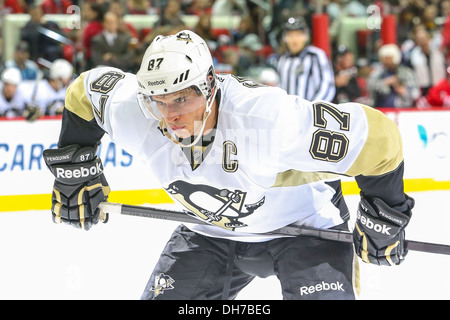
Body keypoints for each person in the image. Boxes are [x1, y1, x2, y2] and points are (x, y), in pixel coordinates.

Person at [42, 30, 414, 300]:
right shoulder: (136, 110)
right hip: (208, 233)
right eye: (158, 101)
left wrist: (384, 213)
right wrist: (78, 170)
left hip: (305, 232)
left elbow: (380, 138)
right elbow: (84, 91)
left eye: (181, 100)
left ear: (209, 85)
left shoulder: (269, 119)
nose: (169, 116)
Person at [270, 17, 335, 101]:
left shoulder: (315, 56)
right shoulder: (283, 60)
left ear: (306, 36)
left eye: (298, 35)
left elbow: (326, 86)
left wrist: (312, 109)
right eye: (290, 35)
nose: (294, 40)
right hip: (288, 111)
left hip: (310, 111)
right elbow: (280, 86)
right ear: (285, 38)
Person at [367, 44, 420, 108]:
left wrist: (404, 91)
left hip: (403, 108)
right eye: (384, 59)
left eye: (389, 59)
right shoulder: (378, 73)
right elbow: (369, 86)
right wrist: (385, 82)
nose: (387, 62)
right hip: (380, 108)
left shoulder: (407, 73)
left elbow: (416, 94)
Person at [409, 27, 446, 96]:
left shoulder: (438, 54)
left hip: (438, 86)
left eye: (423, 38)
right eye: (419, 39)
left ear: (428, 38)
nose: (422, 41)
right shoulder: (413, 56)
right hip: (423, 89)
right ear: (417, 41)